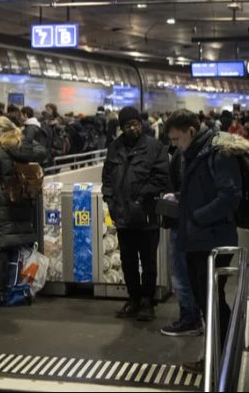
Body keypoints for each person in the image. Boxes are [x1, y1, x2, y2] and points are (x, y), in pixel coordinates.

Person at [166, 109, 242, 374]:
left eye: (177, 139)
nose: (174, 145)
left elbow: (230, 195)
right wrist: (179, 198)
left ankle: (220, 358)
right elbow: (203, 190)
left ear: (191, 131)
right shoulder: (194, 153)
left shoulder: (217, 152)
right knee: (206, 301)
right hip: (198, 239)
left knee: (212, 302)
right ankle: (217, 356)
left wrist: (197, 217)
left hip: (213, 240)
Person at [101, 106, 169, 322]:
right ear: (122, 127)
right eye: (128, 125)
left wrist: (141, 199)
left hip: (146, 215)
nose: (133, 128)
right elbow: (108, 176)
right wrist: (109, 199)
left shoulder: (154, 147)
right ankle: (134, 298)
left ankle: (148, 302)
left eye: (136, 124)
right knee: (127, 260)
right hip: (122, 215)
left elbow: (161, 177)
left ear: (141, 124)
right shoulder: (115, 147)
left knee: (148, 260)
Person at [0, 116, 47, 305]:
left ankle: (1, 292)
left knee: (1, 246)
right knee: (18, 245)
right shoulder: (24, 143)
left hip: (2, 203)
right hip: (24, 201)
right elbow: (43, 153)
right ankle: (20, 287)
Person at [160, 147, 203, 338]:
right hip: (190, 223)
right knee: (186, 273)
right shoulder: (188, 153)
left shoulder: (190, 155)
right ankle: (191, 317)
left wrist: (175, 197)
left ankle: (190, 319)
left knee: (182, 273)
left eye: (175, 137)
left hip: (186, 223)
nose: (172, 142)